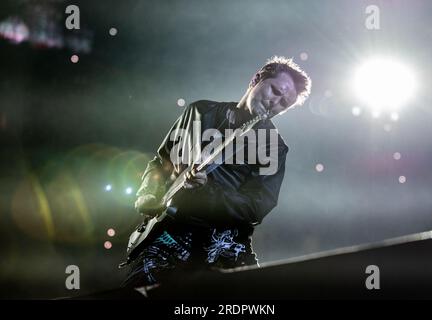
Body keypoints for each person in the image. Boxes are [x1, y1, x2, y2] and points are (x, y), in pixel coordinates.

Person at [122, 56, 311, 288]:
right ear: (256, 79)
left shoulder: (273, 146)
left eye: (284, 103)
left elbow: (257, 207)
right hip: (165, 239)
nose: (275, 103)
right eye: (275, 91)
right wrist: (147, 194)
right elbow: (161, 162)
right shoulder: (199, 111)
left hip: (222, 250)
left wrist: (209, 189)